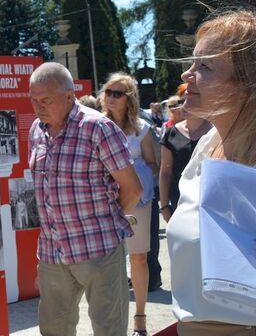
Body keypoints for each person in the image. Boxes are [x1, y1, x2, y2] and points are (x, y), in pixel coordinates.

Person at [167, 10, 256, 335]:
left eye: (205, 66)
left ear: (251, 82)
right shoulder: (207, 145)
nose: (187, 75)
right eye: (192, 62)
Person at [28, 62, 142, 336]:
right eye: (33, 100)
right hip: (53, 253)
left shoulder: (98, 128)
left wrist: (107, 221)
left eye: (46, 100)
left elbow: (132, 188)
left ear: (69, 96)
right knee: (53, 329)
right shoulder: (36, 130)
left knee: (108, 329)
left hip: (98, 248)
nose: (38, 107)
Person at [99, 72, 159, 336]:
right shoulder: (96, 125)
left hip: (137, 199)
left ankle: (140, 318)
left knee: (138, 257)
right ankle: (112, 320)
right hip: (103, 199)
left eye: (117, 93)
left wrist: (132, 173)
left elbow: (154, 165)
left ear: (129, 98)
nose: (111, 97)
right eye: (108, 92)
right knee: (107, 260)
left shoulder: (142, 130)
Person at [159, 94, 209, 220]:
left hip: (208, 200)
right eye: (182, 101)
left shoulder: (214, 131)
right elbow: (165, 173)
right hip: (180, 200)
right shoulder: (171, 133)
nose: (184, 105)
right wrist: (164, 207)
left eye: (190, 100)